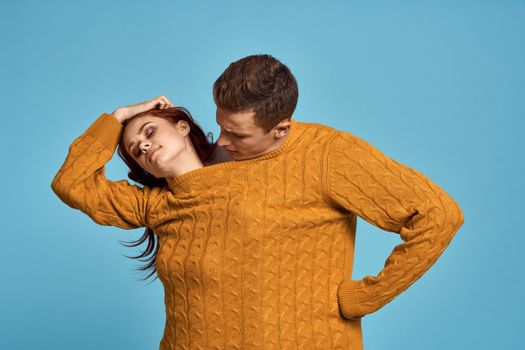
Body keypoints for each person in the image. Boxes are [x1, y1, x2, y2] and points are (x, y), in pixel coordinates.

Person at [52, 54, 464, 350]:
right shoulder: (161, 200)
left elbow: (437, 215)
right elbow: (72, 183)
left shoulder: (326, 155)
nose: (224, 143)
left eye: (240, 135)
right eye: (220, 126)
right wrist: (118, 116)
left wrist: (365, 298)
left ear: (281, 129)